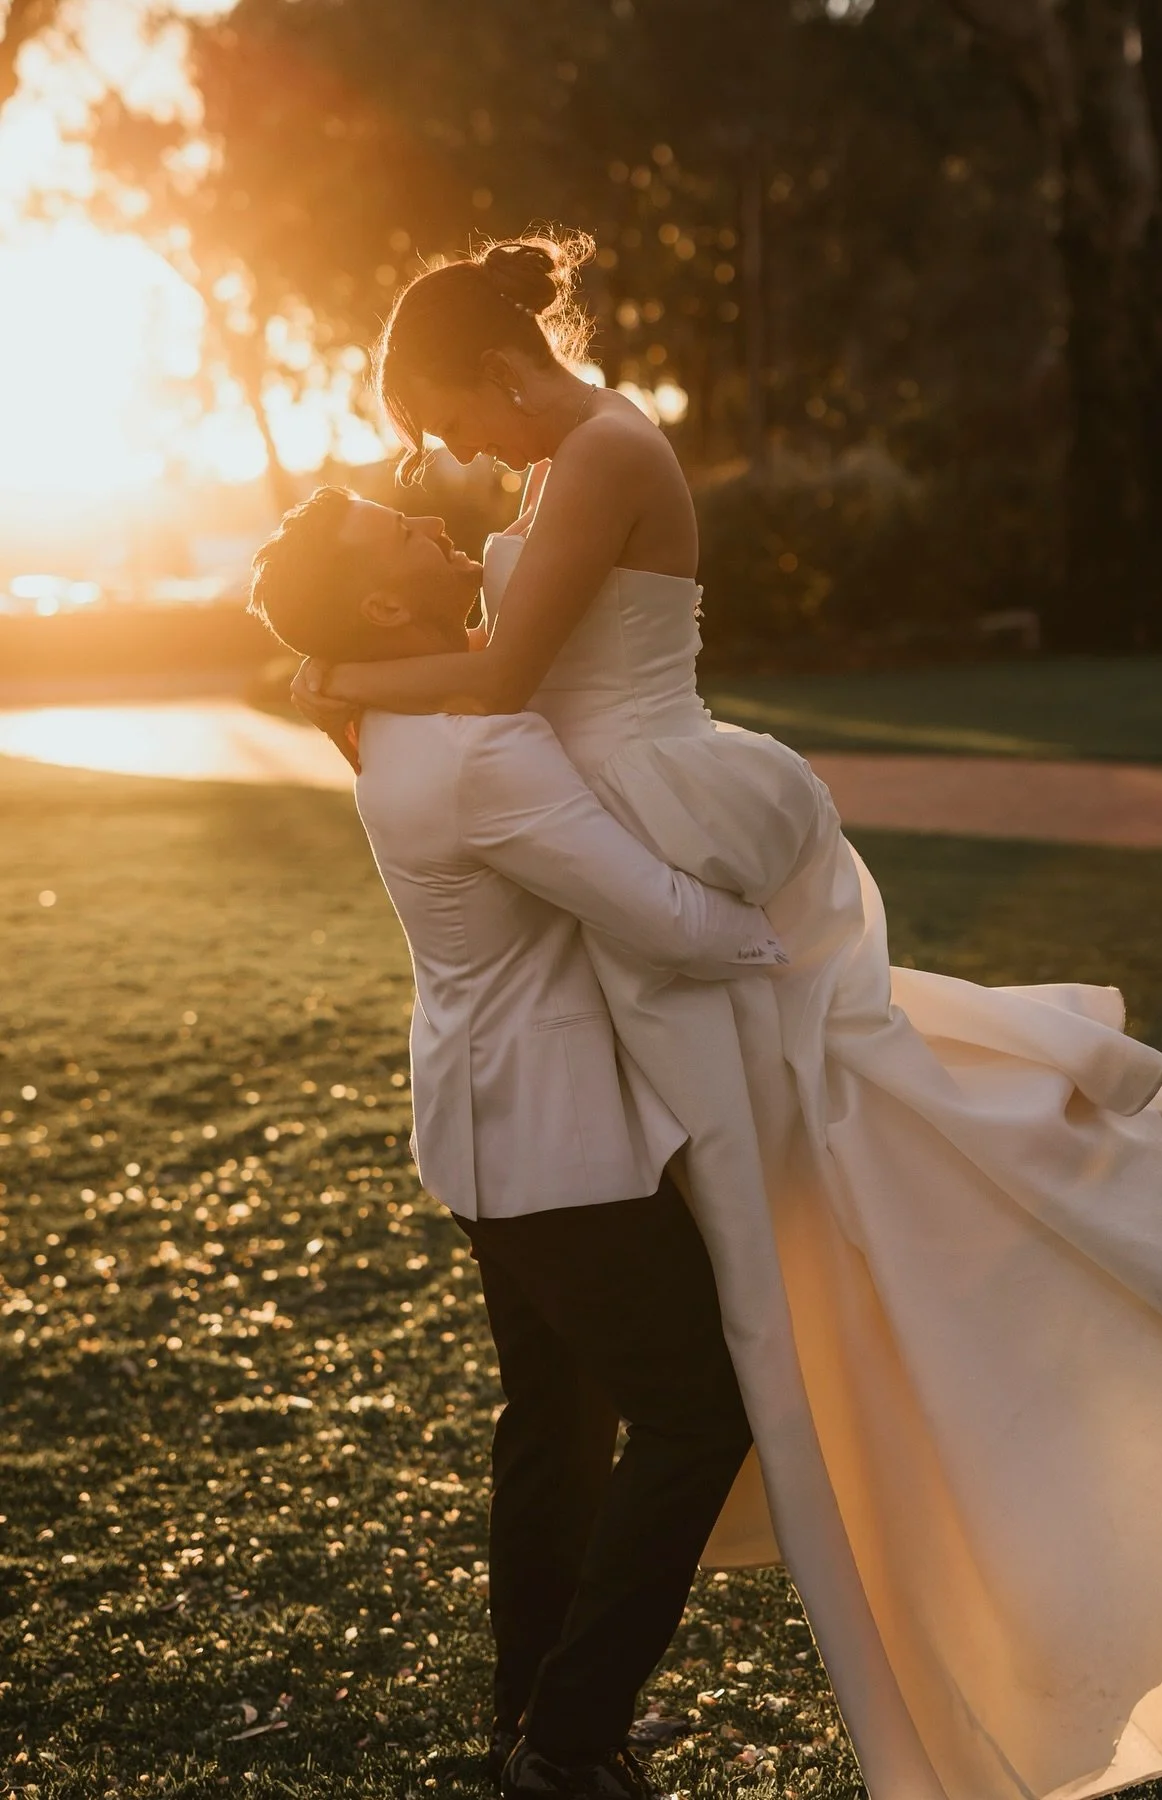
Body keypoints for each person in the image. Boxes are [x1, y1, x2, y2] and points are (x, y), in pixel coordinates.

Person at [287, 233, 1162, 1800]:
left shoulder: (608, 447)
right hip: (612, 852)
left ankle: (599, 1698)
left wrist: (335, 663)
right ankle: (567, 1714)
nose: (457, 455)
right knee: (668, 1319)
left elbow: (503, 674)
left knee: (808, 1196)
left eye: (449, 416)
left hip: (662, 821)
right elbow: (497, 690)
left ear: (497, 362)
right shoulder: (559, 473)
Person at [249, 485, 792, 1800]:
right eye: (408, 538)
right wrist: (791, 947)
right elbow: (660, 917)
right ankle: (567, 1735)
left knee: (555, 1423)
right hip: (559, 1150)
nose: (441, 533)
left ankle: (533, 1715)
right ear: (388, 603)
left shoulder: (386, 711)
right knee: (699, 1412)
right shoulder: (475, 746)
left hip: (483, 1128)